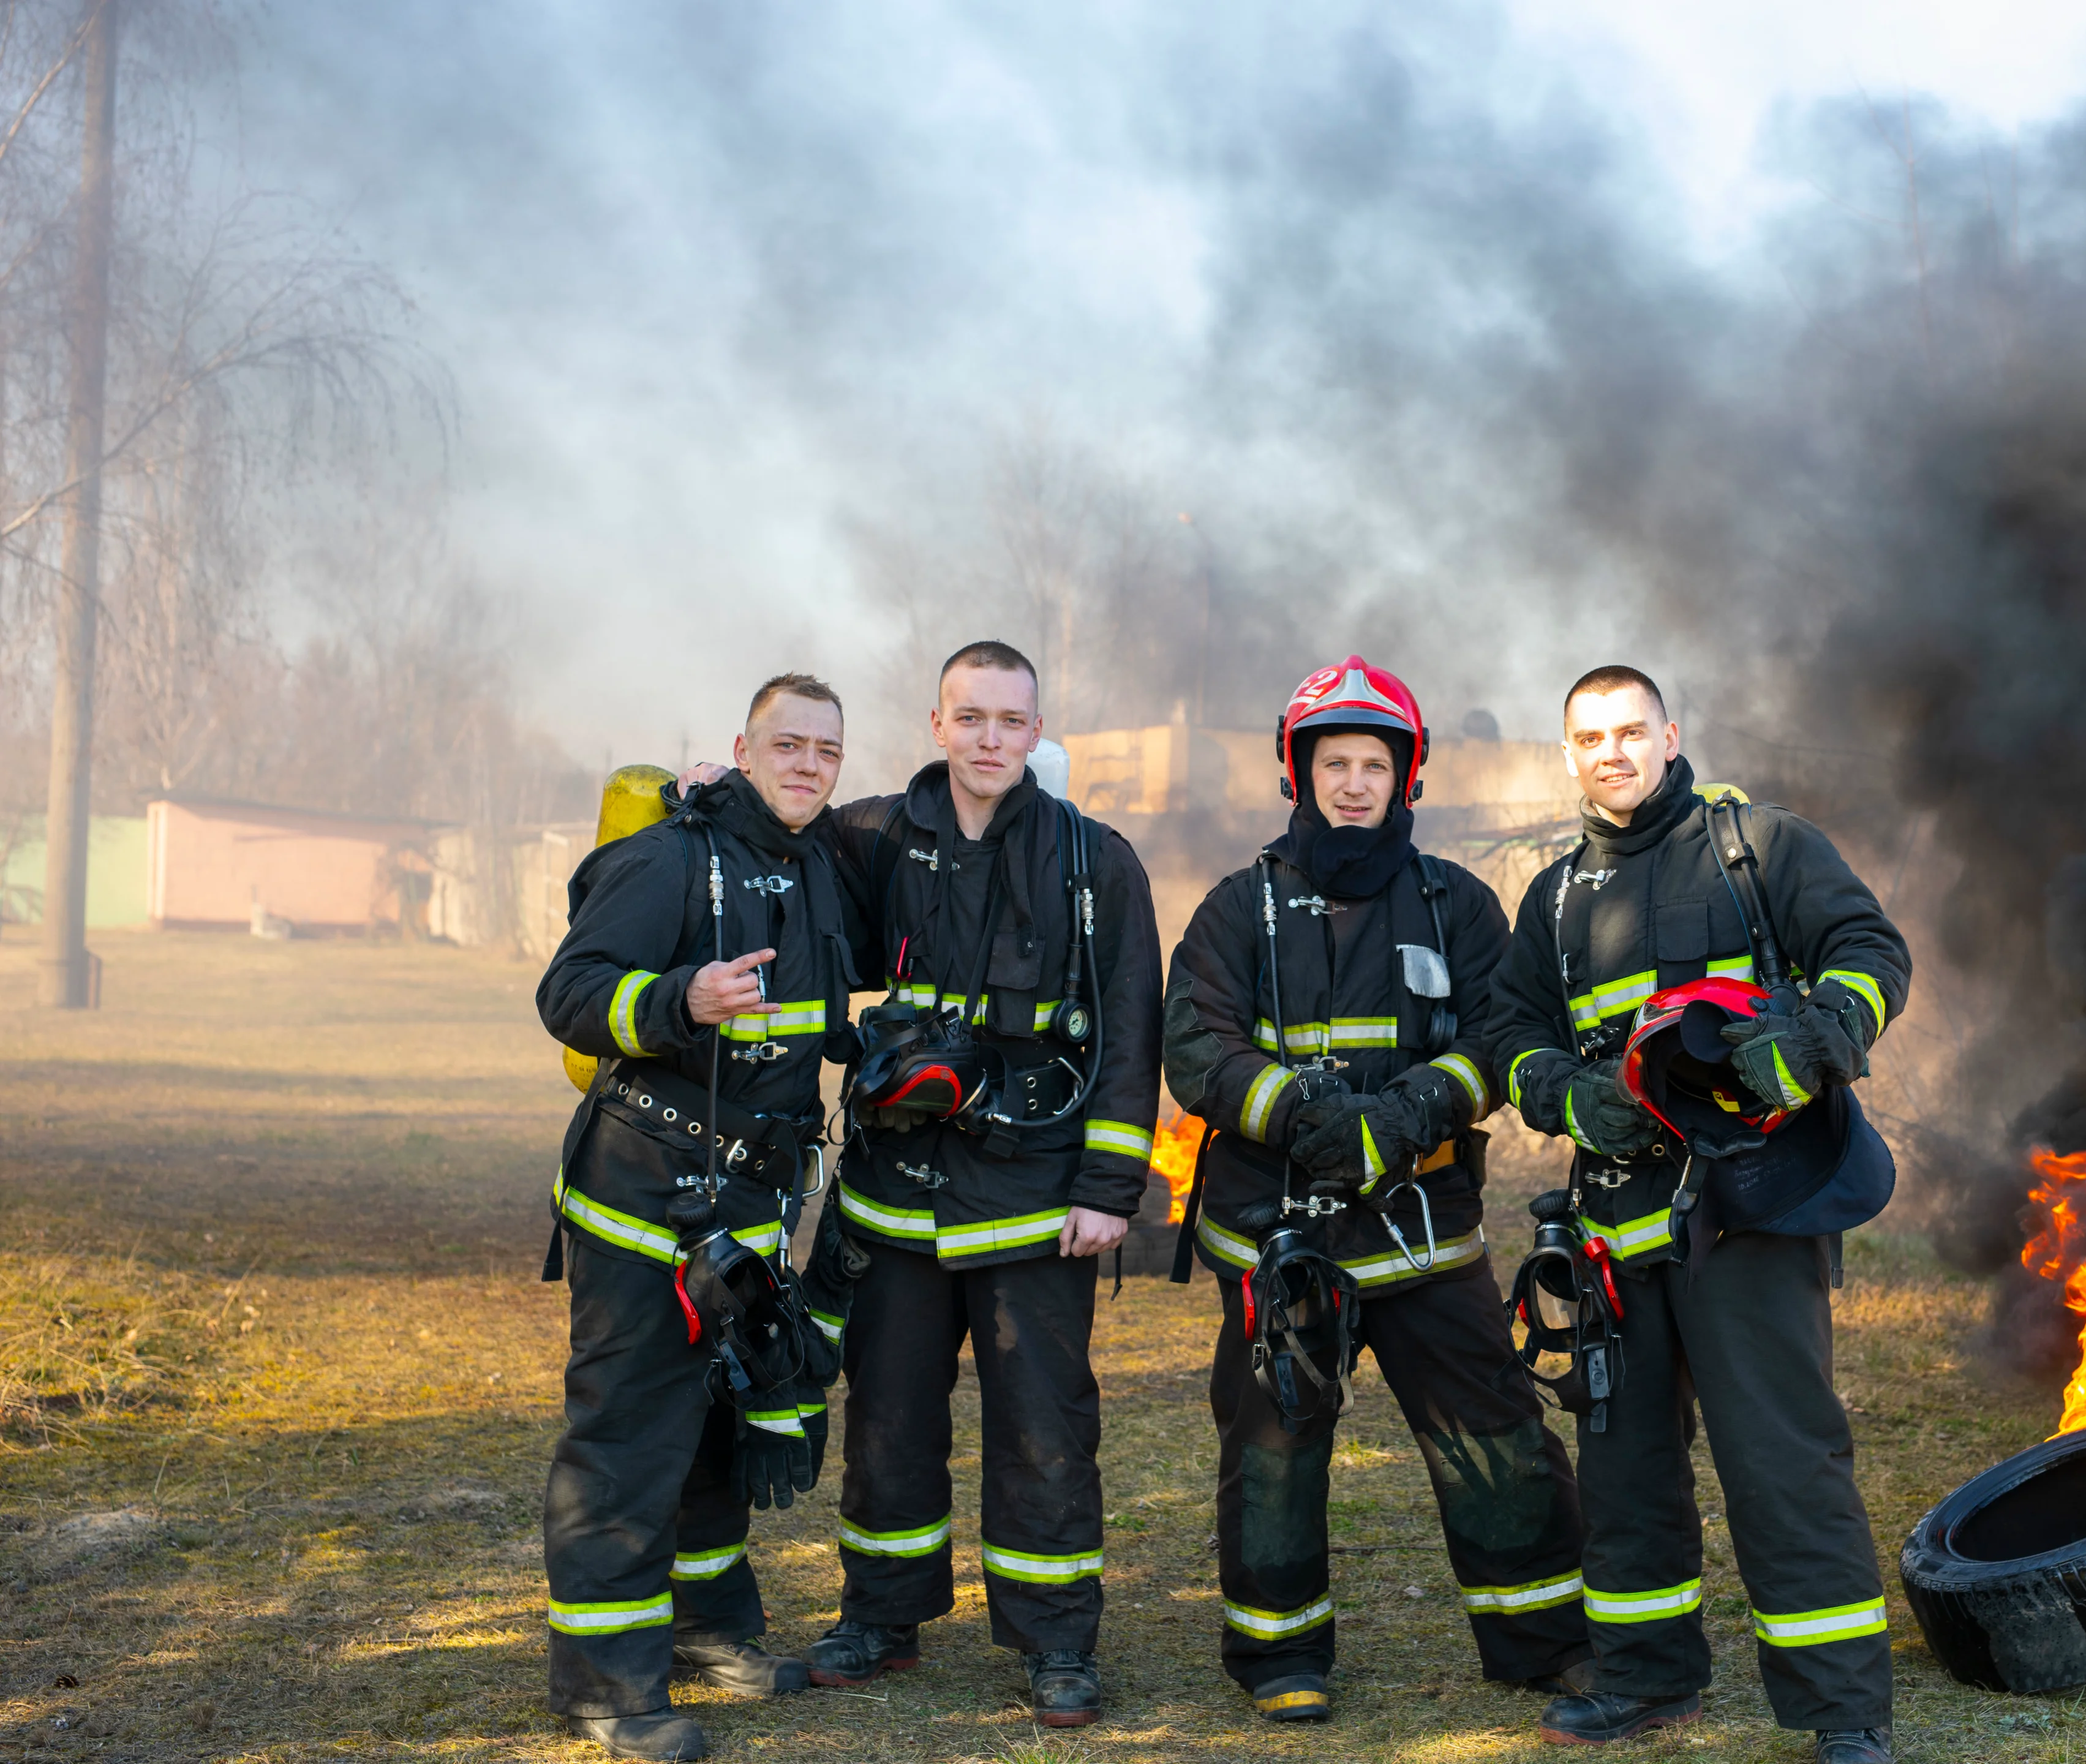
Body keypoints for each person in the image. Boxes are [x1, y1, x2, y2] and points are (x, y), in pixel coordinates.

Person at [1491, 666, 1910, 1763]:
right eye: (1591, 738)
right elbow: (1513, 1033)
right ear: (1570, 753)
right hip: (1614, 1235)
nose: (1613, 753)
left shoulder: (1758, 847)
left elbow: (1870, 955)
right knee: (1625, 1469)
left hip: (1751, 1219)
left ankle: (1841, 1710)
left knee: (1781, 1456)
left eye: (1632, 731)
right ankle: (1644, 1680)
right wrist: (1570, 1095)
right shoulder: (1557, 895)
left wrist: (1812, 1043)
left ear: (1671, 735)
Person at [1162, 657, 1592, 1722]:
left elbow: (1503, 1033)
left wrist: (1413, 1114)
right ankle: (1278, 1657)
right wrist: (1299, 1117)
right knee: (1273, 1442)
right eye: (1333, 762)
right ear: (1296, 774)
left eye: (1374, 763)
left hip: (1422, 1228)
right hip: (1277, 1232)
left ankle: (1545, 1644)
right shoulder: (1236, 908)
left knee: (1491, 1431)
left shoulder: (1459, 906)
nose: (1354, 783)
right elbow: (1193, 1046)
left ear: (1408, 777)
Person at [808, 641, 1162, 1727]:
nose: (990, 740)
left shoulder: (1096, 862)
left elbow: (1128, 1032)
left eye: (1011, 721)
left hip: (1037, 1200)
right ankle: (881, 1615)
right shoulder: (872, 838)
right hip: (895, 1198)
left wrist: (1111, 1187)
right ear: (936, 723)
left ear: (1038, 728)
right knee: (888, 1420)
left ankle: (1057, 1641)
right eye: (971, 719)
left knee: (1044, 1429)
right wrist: (709, 791)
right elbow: (774, 830)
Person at [535, 674, 859, 1763]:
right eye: (788, 745)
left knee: (719, 1425)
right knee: (628, 1437)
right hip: (642, 1205)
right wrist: (680, 1002)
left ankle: (709, 1634)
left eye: (826, 749)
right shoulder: (672, 856)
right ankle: (605, 1686)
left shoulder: (815, 869)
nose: (807, 764)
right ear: (742, 748)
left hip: (748, 1211)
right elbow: (570, 991)